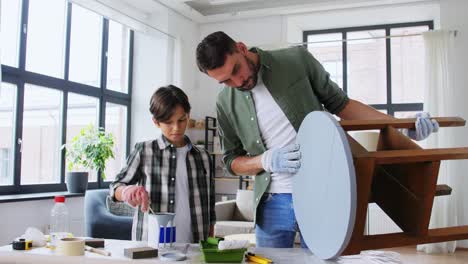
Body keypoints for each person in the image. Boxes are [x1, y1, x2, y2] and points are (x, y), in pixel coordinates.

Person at [195, 31, 438, 248]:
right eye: (225, 80)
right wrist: (266, 160)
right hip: (270, 204)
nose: (237, 82)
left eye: (236, 70)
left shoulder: (295, 60)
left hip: (320, 195)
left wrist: (401, 127)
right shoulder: (225, 102)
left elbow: (342, 104)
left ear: (241, 47)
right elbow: (231, 160)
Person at [109, 85, 215, 242]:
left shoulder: (204, 157)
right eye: (168, 122)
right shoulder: (144, 151)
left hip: (195, 245)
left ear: (188, 115)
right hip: (150, 246)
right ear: (156, 122)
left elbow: (210, 204)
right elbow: (114, 189)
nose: (176, 128)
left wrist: (210, 239)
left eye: (181, 120)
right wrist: (125, 192)